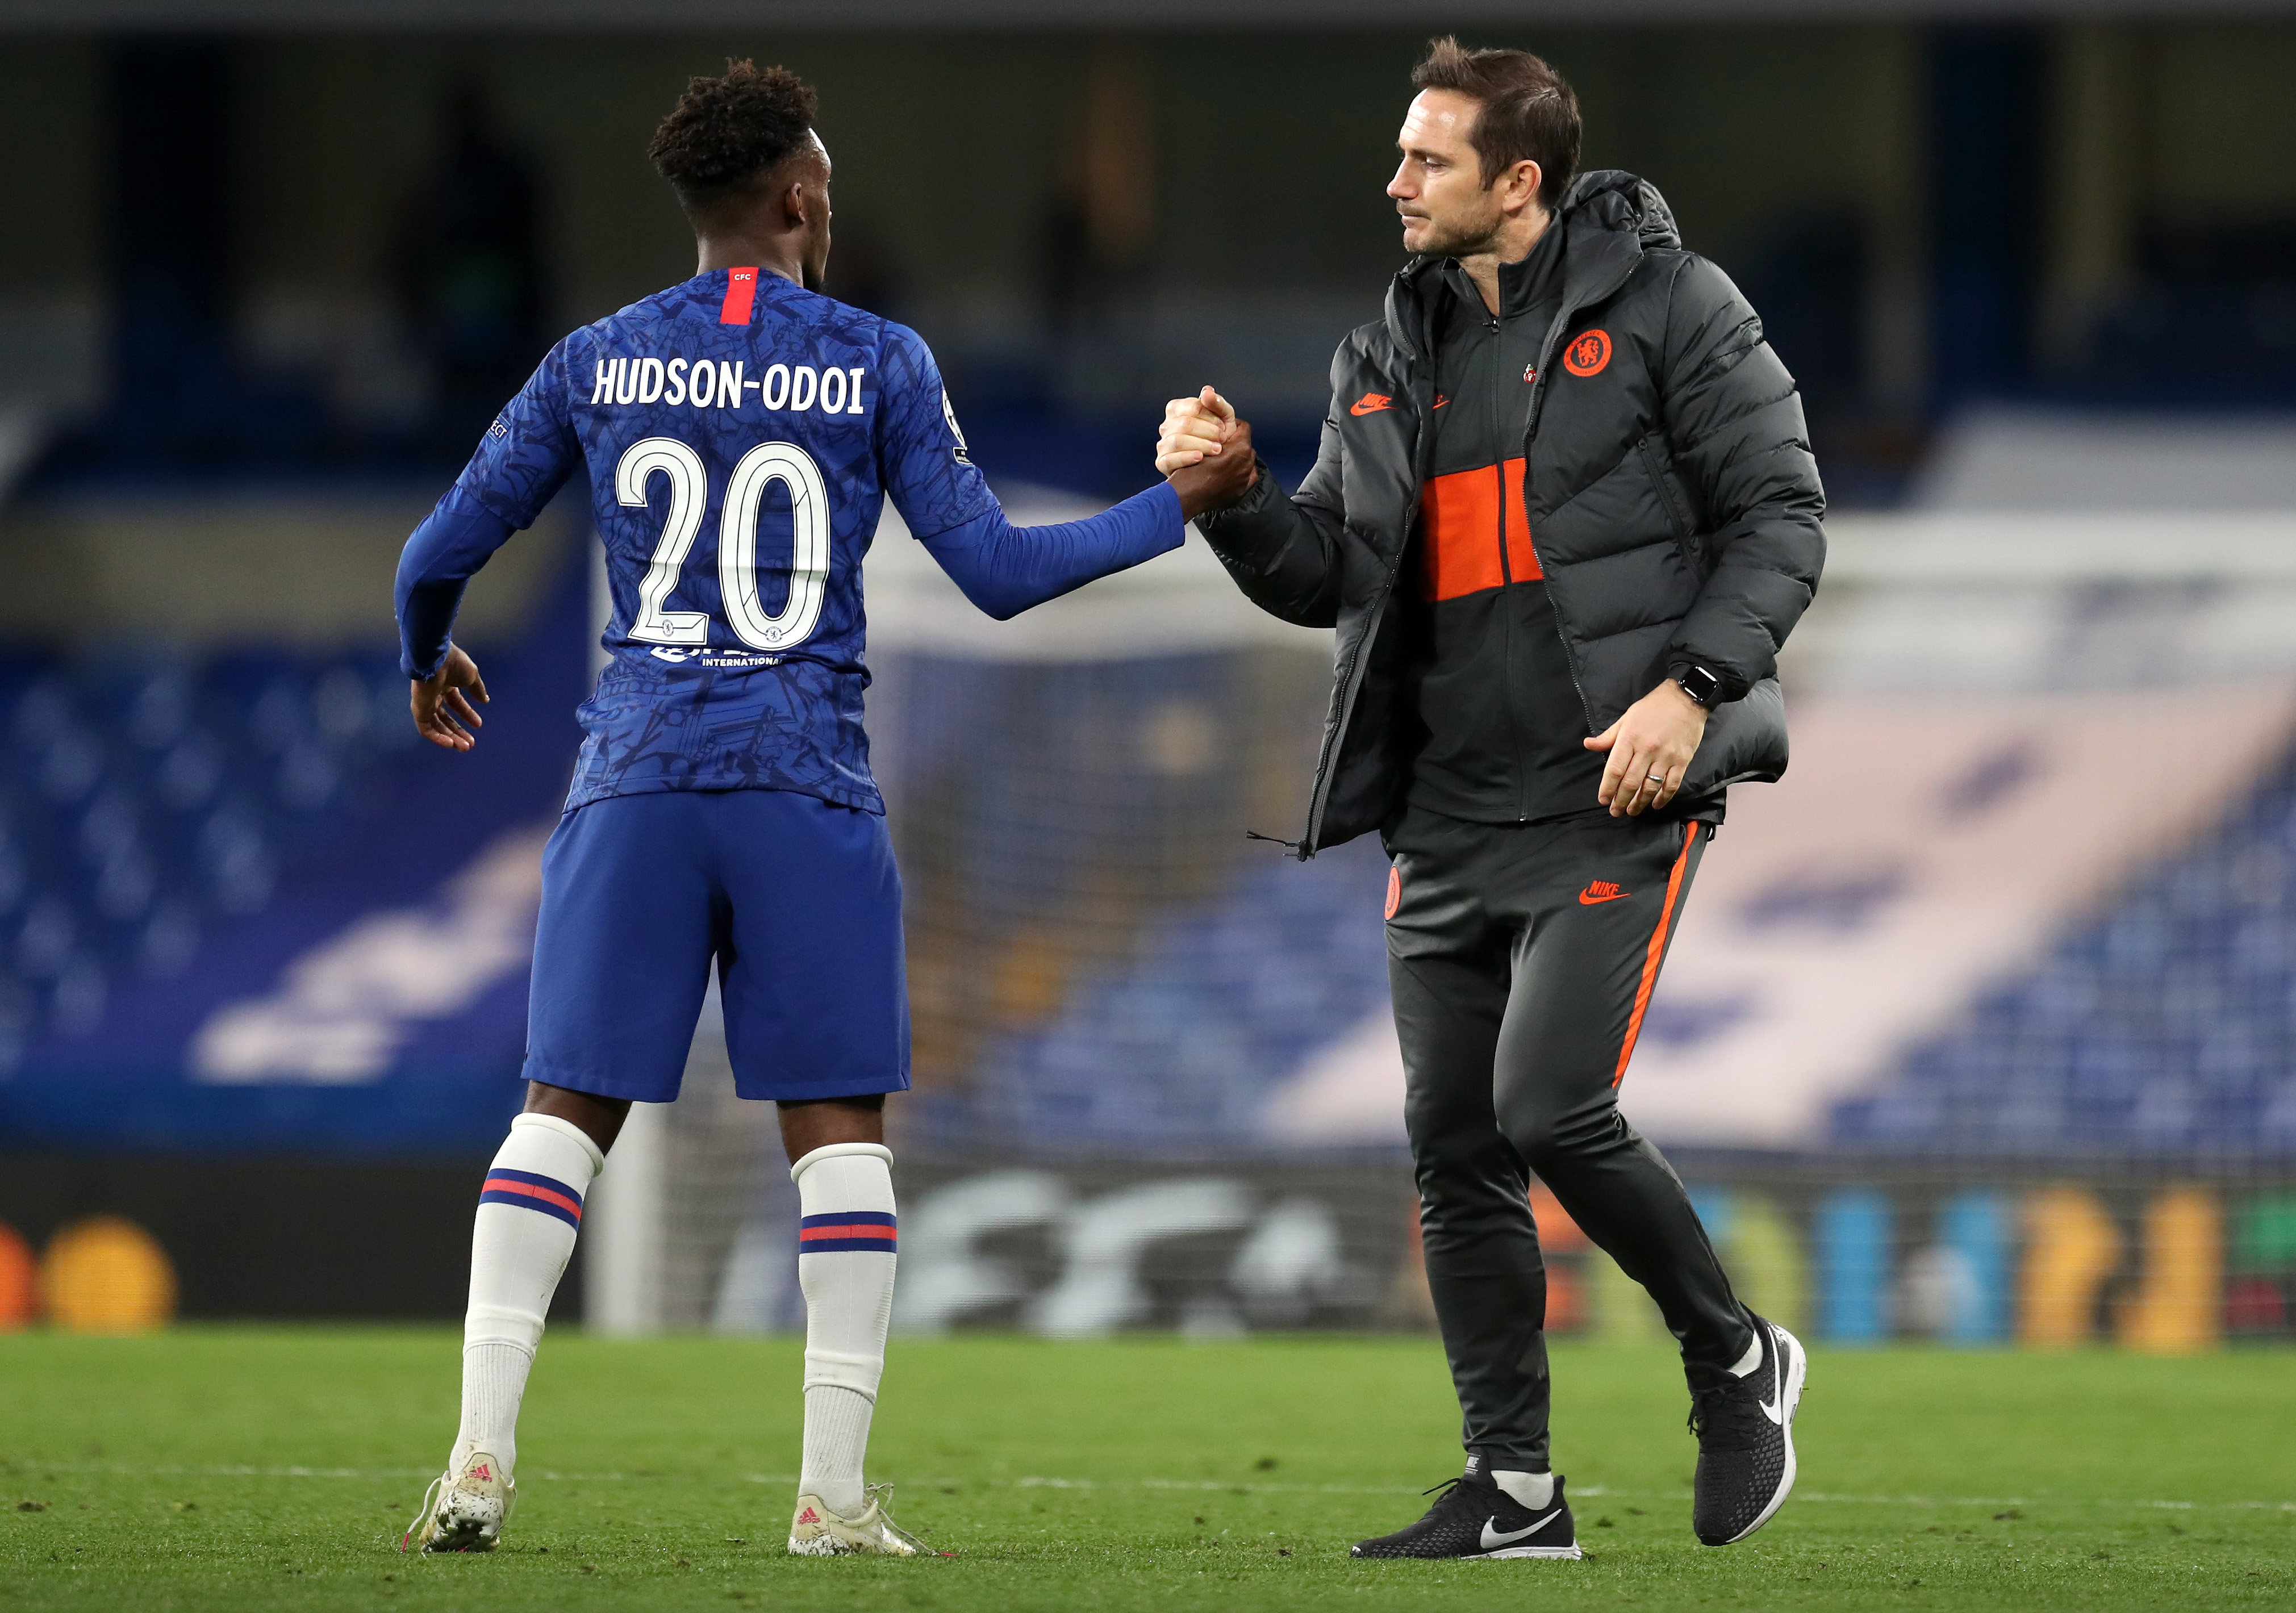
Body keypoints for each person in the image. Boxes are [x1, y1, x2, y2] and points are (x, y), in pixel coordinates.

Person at [394, 60, 1235, 1558]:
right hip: (801, 785)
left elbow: (434, 554)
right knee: (838, 1137)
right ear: (796, 199)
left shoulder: (597, 358)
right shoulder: (876, 360)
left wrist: (425, 654)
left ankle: (474, 1465)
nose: (832, 215)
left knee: (560, 1114)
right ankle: (830, 1500)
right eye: (827, 193)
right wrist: (1183, 504)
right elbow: (998, 574)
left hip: (638, 778)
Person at [1158, 37, 1825, 1559]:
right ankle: (1515, 1491)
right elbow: (1330, 577)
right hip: (1444, 810)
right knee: (1455, 1152)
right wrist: (1235, 501)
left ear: (1518, 181)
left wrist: (1691, 690)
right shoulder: (1383, 348)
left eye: (1428, 158)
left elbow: (1782, 516)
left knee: (1547, 1109)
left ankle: (1734, 1355)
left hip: (1611, 790)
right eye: (1400, 153)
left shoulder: (1676, 307)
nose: (1394, 181)